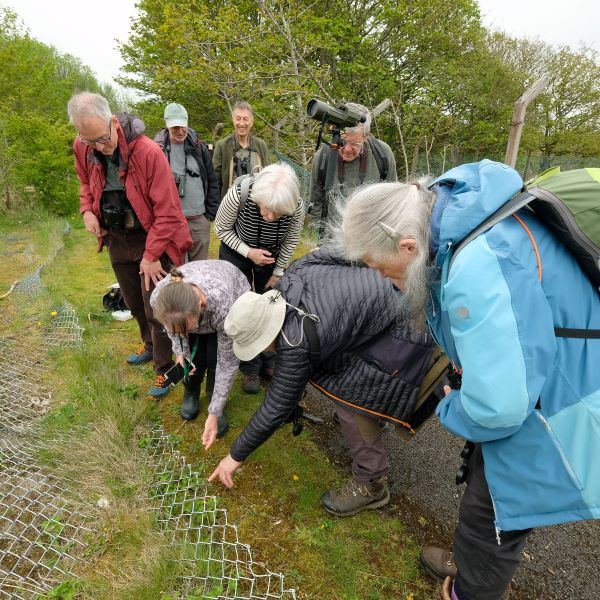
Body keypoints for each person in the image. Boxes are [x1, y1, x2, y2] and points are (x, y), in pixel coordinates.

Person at [338, 160, 600, 600]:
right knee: (489, 490)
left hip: (565, 399)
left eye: (378, 266)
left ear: (406, 247)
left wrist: (452, 407)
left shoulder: (475, 266)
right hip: (557, 373)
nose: (382, 278)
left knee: (493, 512)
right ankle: (466, 566)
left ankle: (469, 588)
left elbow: (499, 408)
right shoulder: (460, 214)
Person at [208, 249, 438, 517]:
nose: (263, 352)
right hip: (397, 293)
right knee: (342, 374)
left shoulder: (295, 342)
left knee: (352, 399)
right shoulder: (296, 272)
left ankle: (371, 483)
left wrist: (233, 457)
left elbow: (275, 408)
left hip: (408, 326)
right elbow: (344, 252)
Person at [68, 92, 192, 398]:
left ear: (113, 122)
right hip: (116, 237)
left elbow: (168, 212)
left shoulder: (148, 152)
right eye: (89, 141)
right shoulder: (81, 146)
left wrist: (151, 257)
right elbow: (85, 182)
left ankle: (164, 369)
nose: (97, 147)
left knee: (156, 307)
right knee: (133, 301)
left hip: (150, 237)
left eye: (101, 139)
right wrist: (86, 210)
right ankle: (149, 346)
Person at [214, 163, 304, 394]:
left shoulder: (297, 206)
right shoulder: (240, 194)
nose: (271, 218)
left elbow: (291, 240)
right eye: (266, 210)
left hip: (271, 256)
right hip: (237, 251)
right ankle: (249, 366)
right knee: (241, 307)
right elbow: (221, 229)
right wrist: (248, 252)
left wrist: (278, 272)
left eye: (279, 213)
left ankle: (269, 357)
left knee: (270, 305)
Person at [150, 261, 250, 447]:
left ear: (200, 305)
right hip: (194, 313)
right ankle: (191, 392)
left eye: (187, 328)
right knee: (193, 359)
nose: (183, 333)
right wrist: (181, 353)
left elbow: (227, 363)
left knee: (215, 357)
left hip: (229, 290)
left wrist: (214, 413)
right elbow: (172, 329)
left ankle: (215, 398)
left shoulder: (223, 304)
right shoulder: (159, 298)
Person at [308, 102, 397, 244]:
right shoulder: (323, 156)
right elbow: (316, 201)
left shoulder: (382, 154)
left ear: (366, 136)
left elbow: (392, 202)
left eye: (355, 144)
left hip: (369, 242)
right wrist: (320, 241)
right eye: (343, 142)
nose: (347, 149)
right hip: (332, 241)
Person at [154, 103, 220, 261]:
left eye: (182, 125)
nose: (180, 130)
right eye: (175, 127)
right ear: (166, 124)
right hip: (170, 223)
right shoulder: (156, 150)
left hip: (199, 221)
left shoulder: (199, 147)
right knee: (176, 274)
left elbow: (212, 180)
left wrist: (209, 216)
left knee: (199, 272)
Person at [212, 101, 271, 199]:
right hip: (229, 204)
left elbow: (269, 176)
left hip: (257, 204)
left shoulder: (261, 145)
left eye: (245, 119)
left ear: (251, 122)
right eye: (238, 119)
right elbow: (215, 181)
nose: (241, 123)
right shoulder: (222, 146)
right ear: (233, 120)